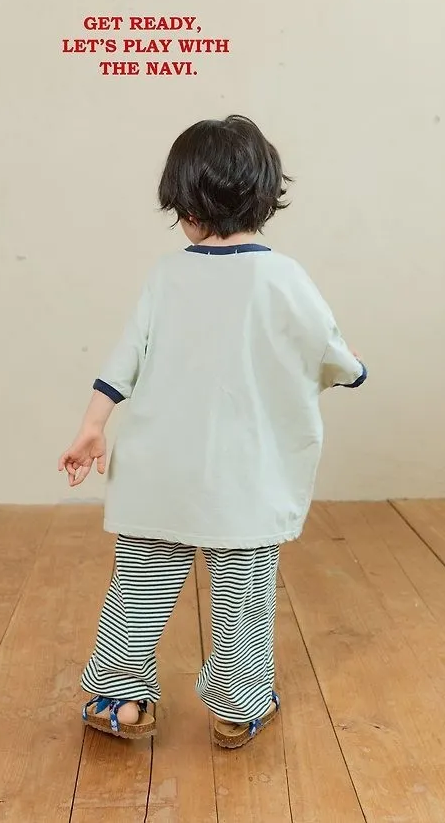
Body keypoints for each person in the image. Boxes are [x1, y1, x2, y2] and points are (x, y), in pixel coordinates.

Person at [58, 114, 367, 749]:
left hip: (160, 470)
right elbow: (329, 350)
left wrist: (92, 426)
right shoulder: (285, 277)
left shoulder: (166, 275)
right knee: (242, 597)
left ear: (187, 206)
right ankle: (237, 707)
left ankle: (120, 699)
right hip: (244, 476)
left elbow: (124, 358)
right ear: (264, 196)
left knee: (138, 591)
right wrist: (353, 370)